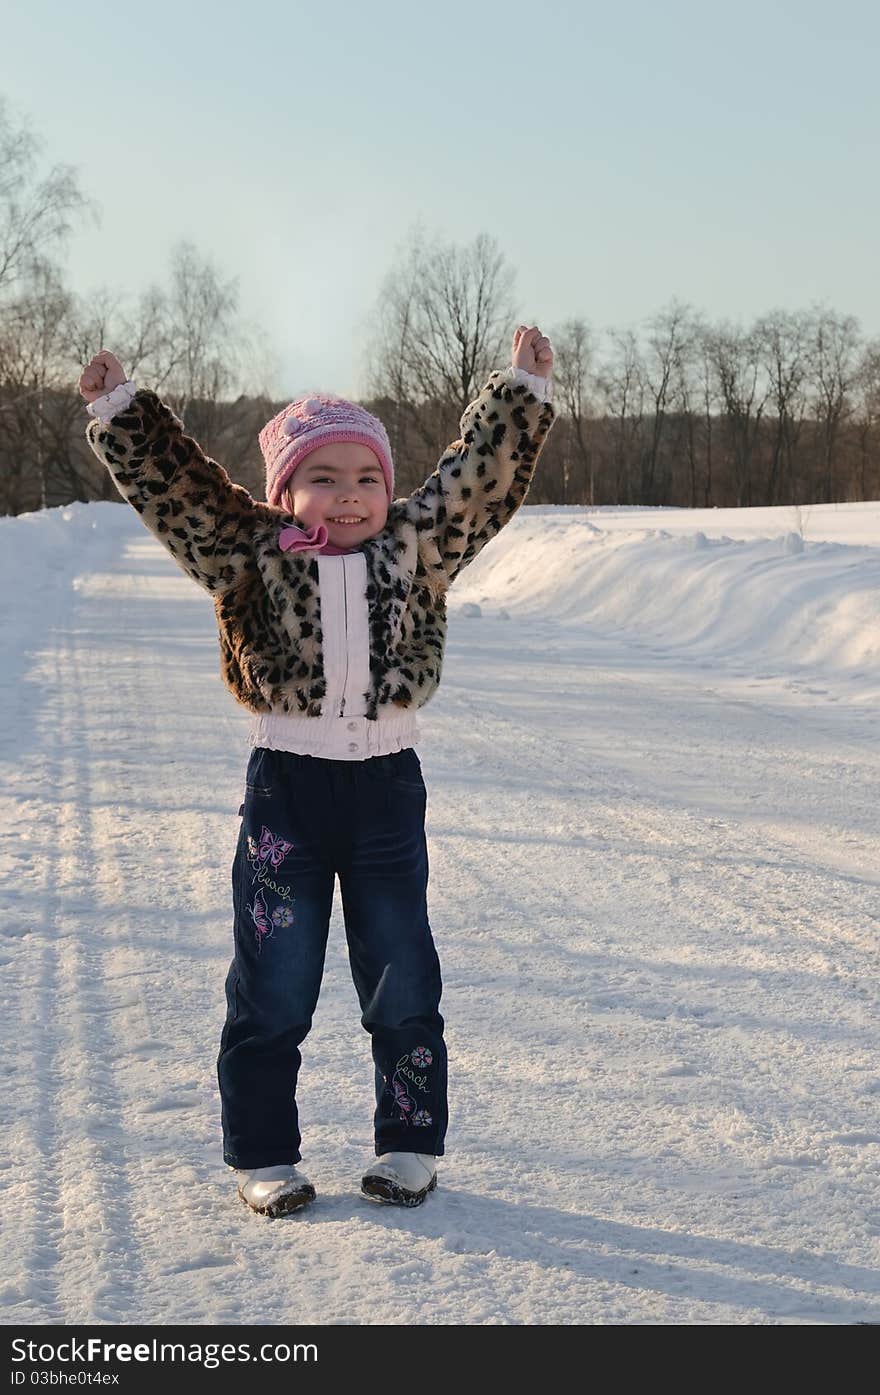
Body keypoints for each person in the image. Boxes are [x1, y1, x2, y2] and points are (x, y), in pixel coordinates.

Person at [79, 325, 556, 1217]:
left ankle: (408, 1141)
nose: (349, 498)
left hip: (385, 789)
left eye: (367, 477)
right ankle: (264, 1152)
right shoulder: (248, 554)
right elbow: (178, 490)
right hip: (286, 792)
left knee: (403, 973)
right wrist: (121, 409)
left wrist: (520, 393)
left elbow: (475, 484)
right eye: (323, 479)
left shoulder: (418, 545)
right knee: (274, 979)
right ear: (284, 491)